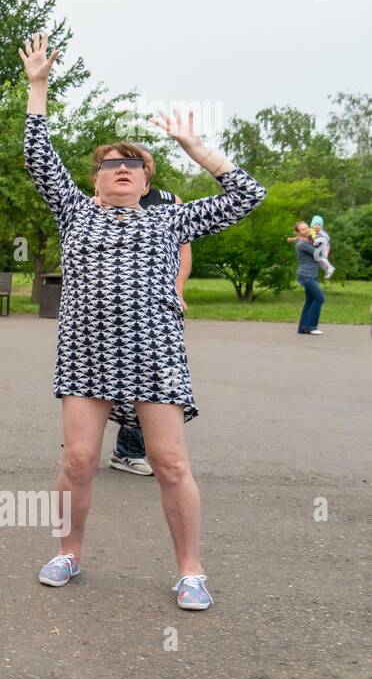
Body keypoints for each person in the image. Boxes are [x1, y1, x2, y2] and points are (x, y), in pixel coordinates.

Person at [19, 33, 264, 611]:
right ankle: (68, 552)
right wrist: (38, 86)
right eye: (112, 163)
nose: (123, 169)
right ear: (97, 177)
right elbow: (36, 152)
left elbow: (247, 194)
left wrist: (197, 149)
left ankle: (191, 571)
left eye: (134, 165)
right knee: (77, 460)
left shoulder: (169, 221)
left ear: (148, 182)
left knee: (170, 462)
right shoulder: (75, 211)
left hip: (154, 355)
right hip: (86, 354)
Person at [109, 143, 195, 477]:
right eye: (121, 162)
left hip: (156, 310)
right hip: (114, 311)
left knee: (154, 378)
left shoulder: (169, 202)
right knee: (115, 378)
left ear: (150, 169)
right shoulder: (105, 199)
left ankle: (133, 449)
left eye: (137, 162)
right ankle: (122, 449)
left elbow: (182, 250)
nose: (127, 168)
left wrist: (178, 286)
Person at [292, 221, 325, 335]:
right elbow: (318, 255)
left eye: (306, 228)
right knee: (320, 299)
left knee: (310, 301)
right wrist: (322, 243)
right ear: (298, 232)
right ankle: (311, 326)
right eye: (302, 229)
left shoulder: (307, 240)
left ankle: (302, 328)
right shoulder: (302, 244)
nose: (306, 230)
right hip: (306, 275)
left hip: (311, 274)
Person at [310, 215, 335, 279]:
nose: (318, 226)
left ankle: (330, 268)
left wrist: (317, 238)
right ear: (313, 225)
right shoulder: (312, 231)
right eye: (316, 224)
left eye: (319, 225)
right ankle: (327, 270)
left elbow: (327, 238)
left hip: (324, 246)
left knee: (322, 258)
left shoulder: (321, 232)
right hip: (319, 246)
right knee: (318, 259)